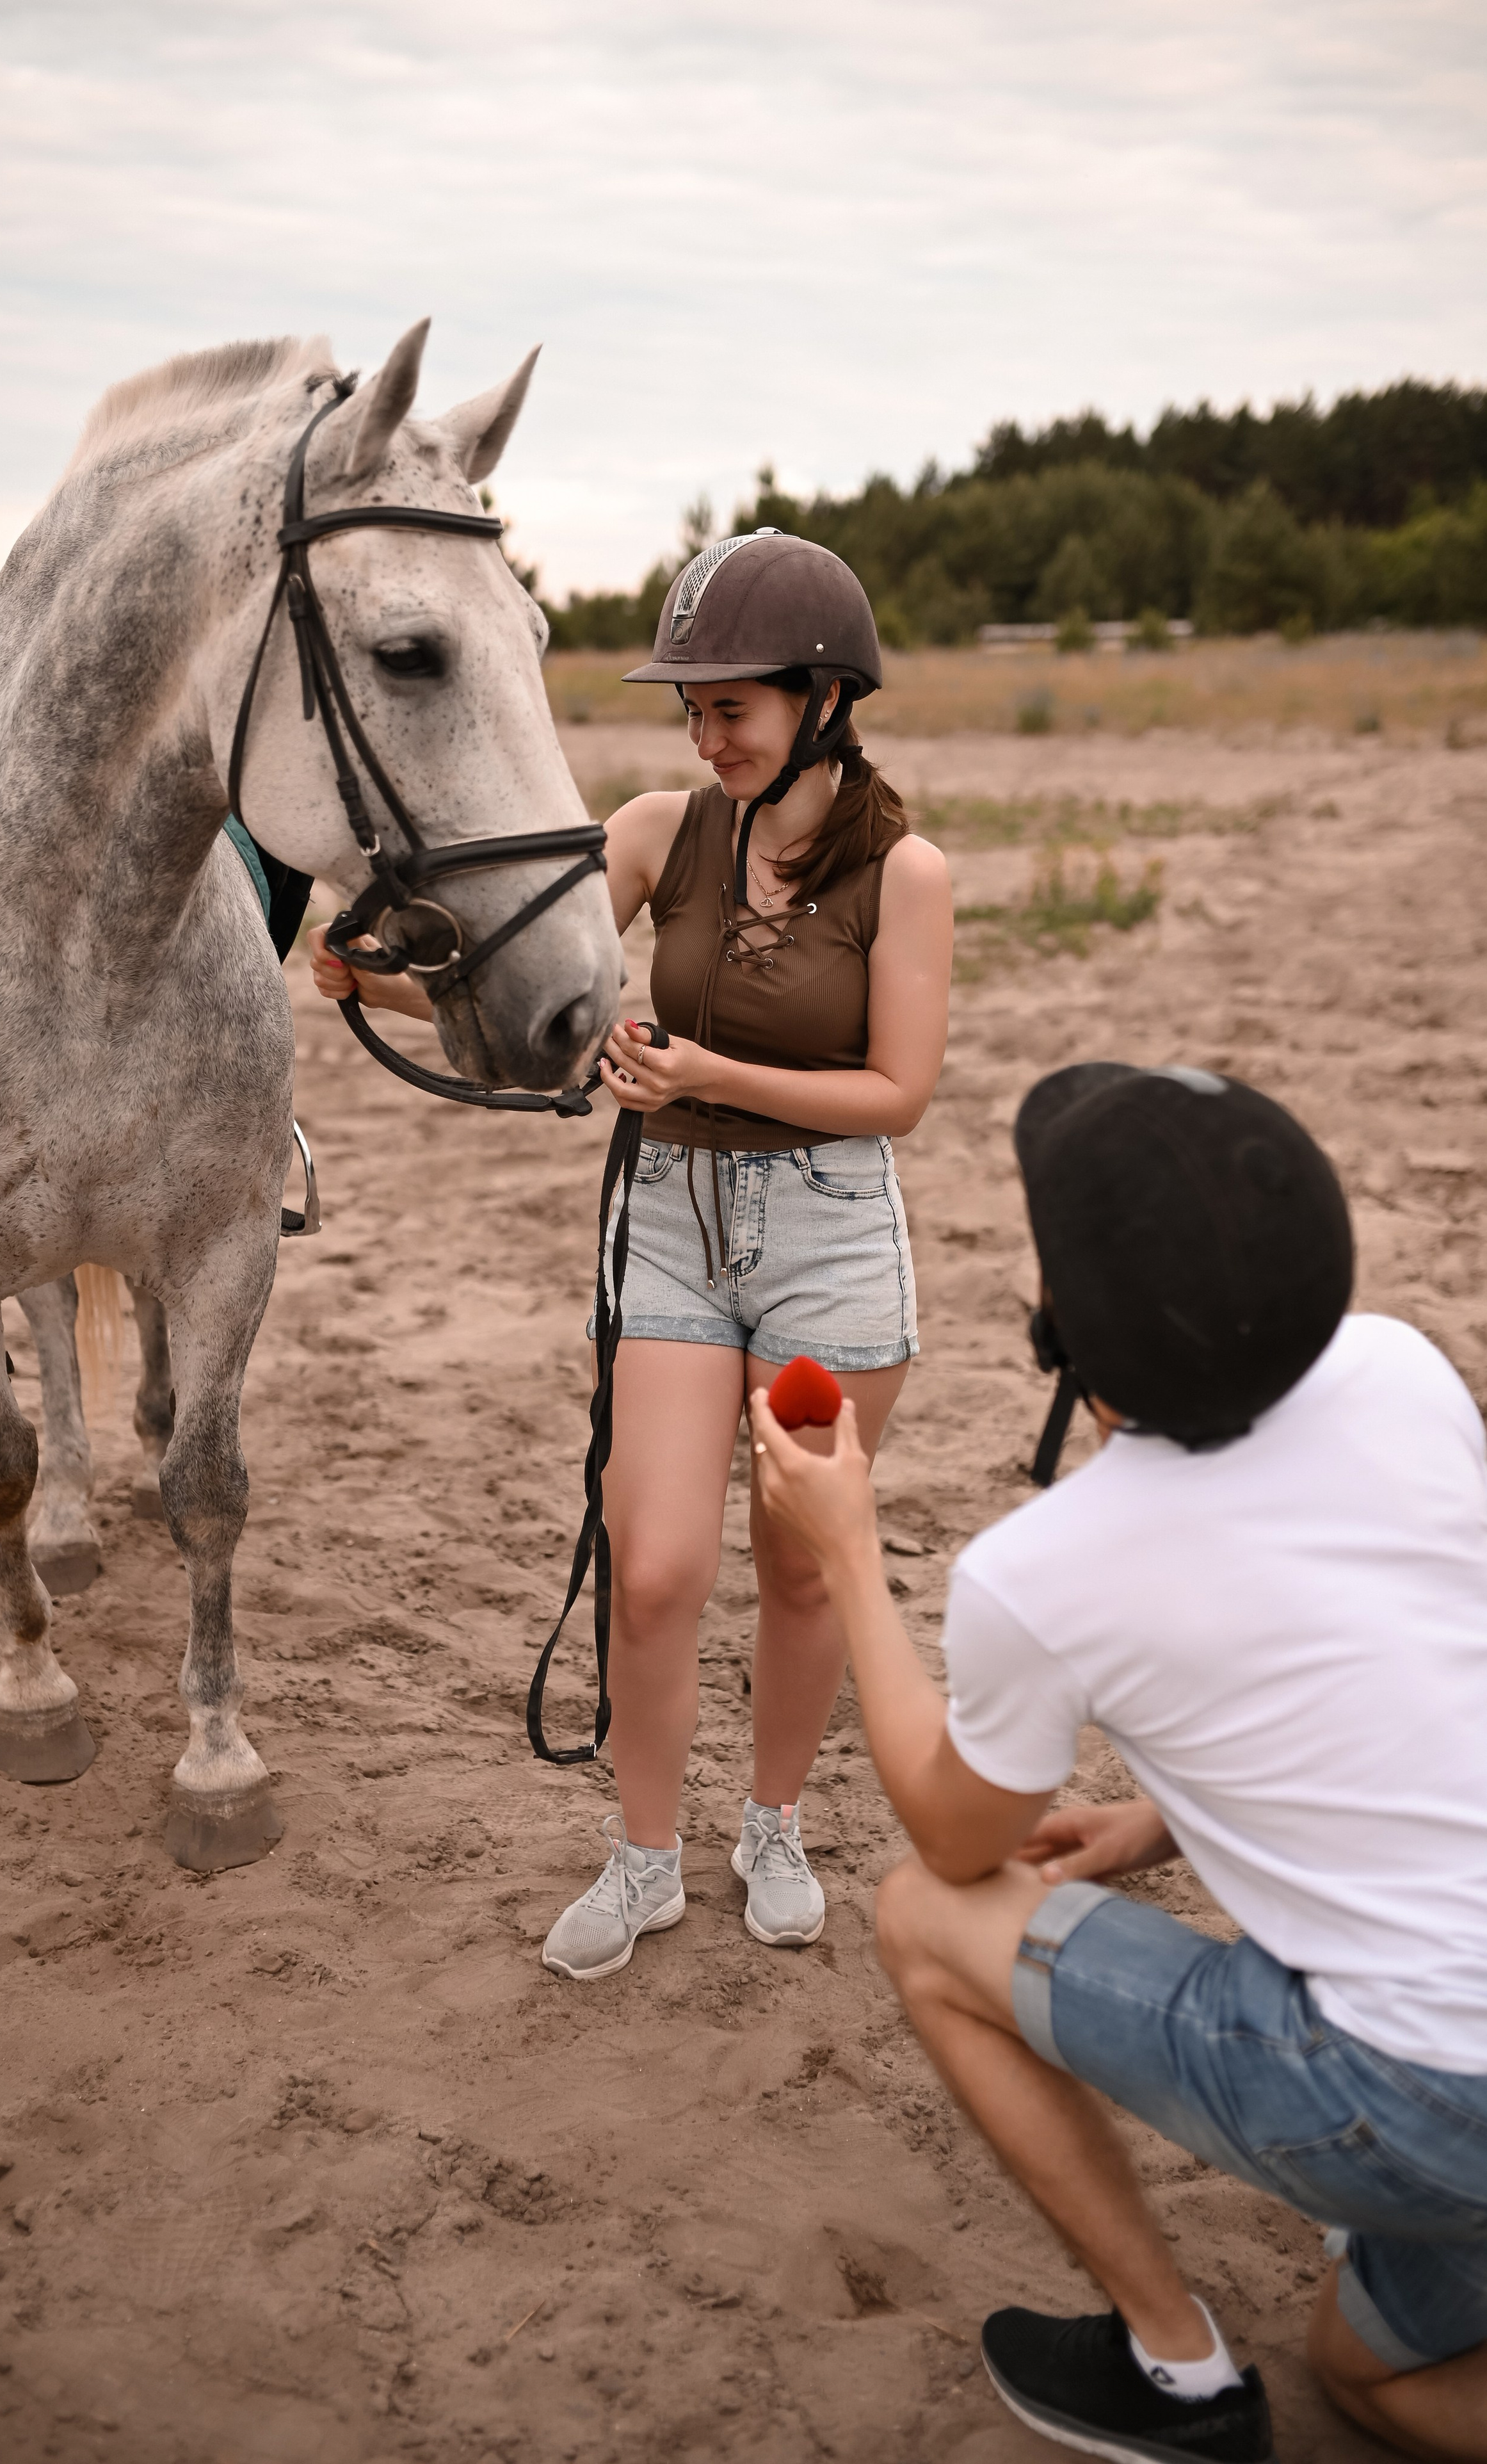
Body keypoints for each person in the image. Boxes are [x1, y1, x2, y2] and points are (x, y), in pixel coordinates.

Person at [746, 1062, 1487, 2463]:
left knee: (919, 1918)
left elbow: (957, 1845)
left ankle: (1176, 2377)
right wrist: (1155, 1822)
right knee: (1365, 2372)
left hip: (1428, 2095)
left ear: (1070, 1339)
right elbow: (1408, 1659)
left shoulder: (1045, 1568)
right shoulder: (1400, 1369)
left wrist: (846, 1549)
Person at [310, 530, 952, 1981]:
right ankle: (645, 1856)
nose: (701, 734)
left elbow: (896, 1094)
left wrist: (706, 1067)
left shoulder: (904, 873)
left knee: (798, 1573)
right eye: (690, 710)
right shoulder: (661, 829)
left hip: (826, 1249)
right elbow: (521, 987)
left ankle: (771, 1825)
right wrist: (382, 987)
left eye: (729, 706)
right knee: (652, 1566)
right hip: (668, 1227)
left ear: (820, 696)